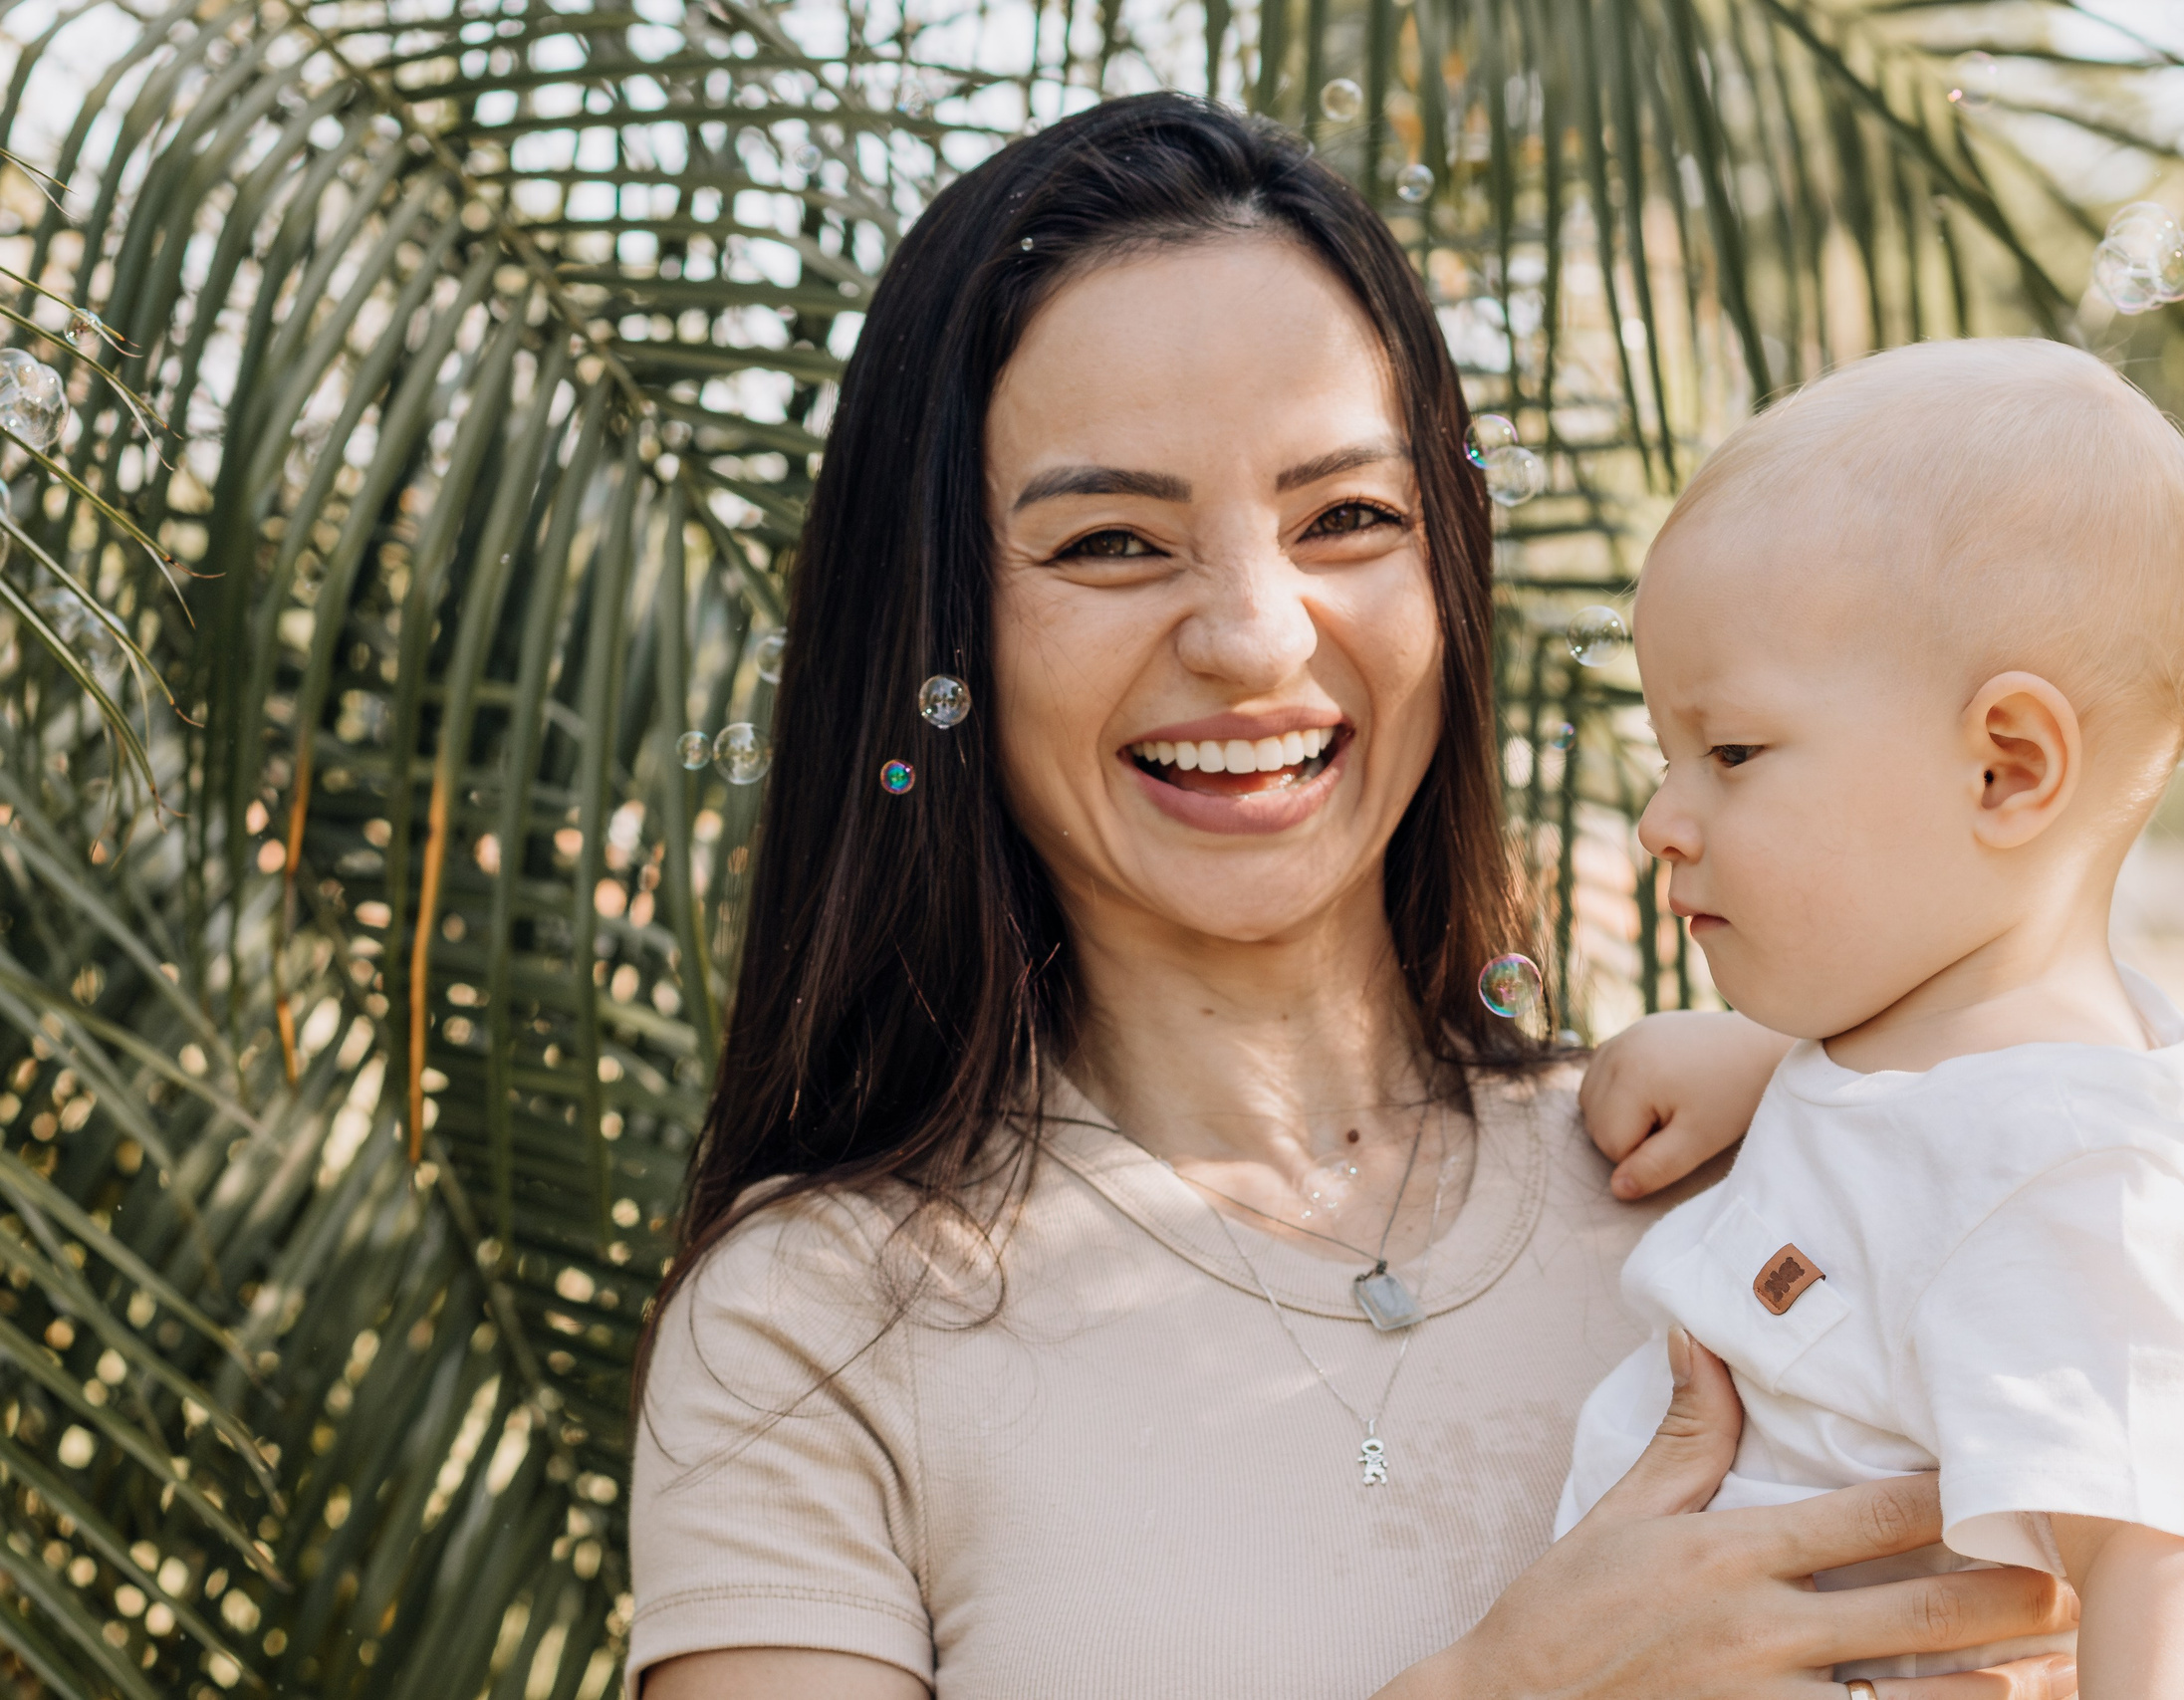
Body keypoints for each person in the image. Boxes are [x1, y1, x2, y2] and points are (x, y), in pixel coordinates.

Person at [629, 96, 2080, 1700]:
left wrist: (1847, 1104)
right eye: (1112, 540)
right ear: (945, 628)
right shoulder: (813, 1330)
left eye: (1349, 519)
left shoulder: (1756, 1186)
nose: (1255, 638)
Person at [1558, 340, 2184, 1697]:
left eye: (1729, 753)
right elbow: (1911, 1155)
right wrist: (1767, 1069)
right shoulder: (1928, 1085)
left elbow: (2170, 1575)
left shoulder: (2092, 1188)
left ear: (2005, 767)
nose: (1666, 819)